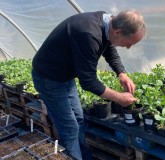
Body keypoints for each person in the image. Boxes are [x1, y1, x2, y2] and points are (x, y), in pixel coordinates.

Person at [31, 10, 146, 160]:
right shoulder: (88, 34)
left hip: (65, 76)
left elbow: (108, 47)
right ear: (118, 32)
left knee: (79, 118)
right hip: (49, 78)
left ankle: (84, 156)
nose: (129, 47)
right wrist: (118, 98)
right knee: (69, 128)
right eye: (129, 43)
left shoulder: (107, 24)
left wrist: (121, 73)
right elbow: (88, 82)